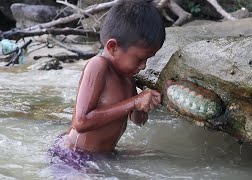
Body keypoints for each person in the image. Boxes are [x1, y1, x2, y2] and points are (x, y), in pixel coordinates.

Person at [48, 0, 166, 172]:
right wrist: (134, 102)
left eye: (148, 59)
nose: (144, 66)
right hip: (74, 157)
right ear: (113, 47)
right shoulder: (98, 66)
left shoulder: (127, 77)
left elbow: (137, 121)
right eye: (140, 59)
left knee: (159, 157)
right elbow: (80, 122)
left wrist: (143, 105)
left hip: (105, 154)